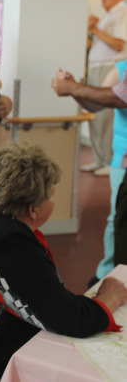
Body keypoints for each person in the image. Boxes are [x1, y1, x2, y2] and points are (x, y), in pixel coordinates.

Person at [0, 142, 127, 381]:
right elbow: (70, 319)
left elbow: (44, 297)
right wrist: (107, 299)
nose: (53, 200)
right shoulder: (7, 244)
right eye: (51, 195)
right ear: (33, 209)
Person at [51, 66, 127, 284]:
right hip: (122, 158)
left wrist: (74, 87)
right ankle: (107, 274)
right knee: (117, 221)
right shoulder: (122, 66)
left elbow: (119, 97)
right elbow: (99, 101)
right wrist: (75, 90)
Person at [84, 0, 127, 176]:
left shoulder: (122, 12)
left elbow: (119, 45)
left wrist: (95, 29)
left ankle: (110, 160)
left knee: (106, 117)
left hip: (110, 67)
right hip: (97, 67)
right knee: (95, 116)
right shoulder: (108, 15)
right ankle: (99, 158)